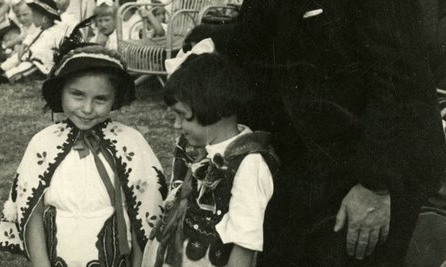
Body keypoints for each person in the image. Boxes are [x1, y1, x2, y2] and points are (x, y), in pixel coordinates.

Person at [183, 0, 446, 266]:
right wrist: (207, 41)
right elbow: (258, 36)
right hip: (313, 159)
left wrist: (375, 186)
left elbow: (398, 76)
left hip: (378, 165)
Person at [0, 38, 167, 265]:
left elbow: (145, 215)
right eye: (77, 95)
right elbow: (30, 213)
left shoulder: (131, 143)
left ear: (114, 99)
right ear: (61, 92)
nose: (87, 109)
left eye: (100, 99)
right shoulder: (43, 144)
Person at [141, 43, 279, 267]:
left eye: (183, 116)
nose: (176, 125)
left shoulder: (248, 163)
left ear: (214, 107)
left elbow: (244, 244)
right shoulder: (203, 148)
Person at [0, 0, 64, 84]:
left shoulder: (52, 33)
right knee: (17, 57)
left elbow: (41, 52)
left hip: (42, 65)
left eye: (34, 16)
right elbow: (30, 38)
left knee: (28, 66)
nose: (32, 18)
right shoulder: (41, 28)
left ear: (44, 19)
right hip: (32, 56)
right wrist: (24, 45)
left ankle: (7, 76)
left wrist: (27, 54)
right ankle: (2, 68)